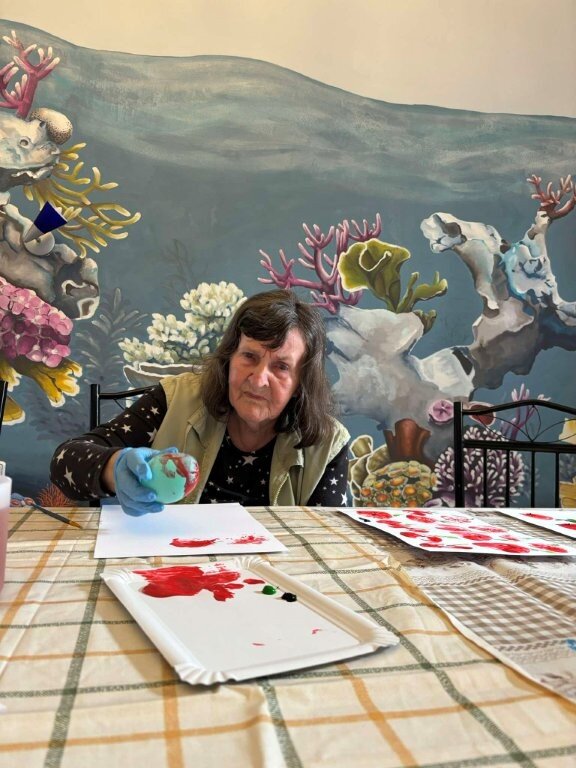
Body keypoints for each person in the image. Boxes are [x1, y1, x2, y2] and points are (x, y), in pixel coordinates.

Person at [50, 289, 350, 514]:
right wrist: (113, 468)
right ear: (229, 359)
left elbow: (330, 543)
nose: (259, 379)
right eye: (249, 356)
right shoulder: (175, 399)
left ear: (300, 384)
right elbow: (65, 461)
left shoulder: (328, 443)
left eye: (281, 367)